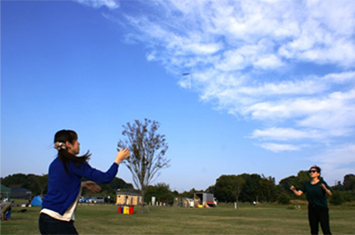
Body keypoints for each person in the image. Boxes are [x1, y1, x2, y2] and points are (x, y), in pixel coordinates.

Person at [39, 130, 130, 235]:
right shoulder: (75, 163)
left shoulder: (54, 164)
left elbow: (61, 186)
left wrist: (82, 184)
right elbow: (106, 178)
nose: (79, 143)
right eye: (76, 140)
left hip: (44, 219)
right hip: (58, 221)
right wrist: (118, 160)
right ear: (68, 144)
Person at [290, 166, 332, 235]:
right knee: (313, 231)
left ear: (318, 174)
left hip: (322, 209)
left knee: (326, 230)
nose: (311, 173)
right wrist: (294, 190)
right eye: (310, 171)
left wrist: (325, 188)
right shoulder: (306, 184)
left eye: (313, 171)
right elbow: (298, 194)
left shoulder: (322, 183)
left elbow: (330, 194)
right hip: (312, 209)